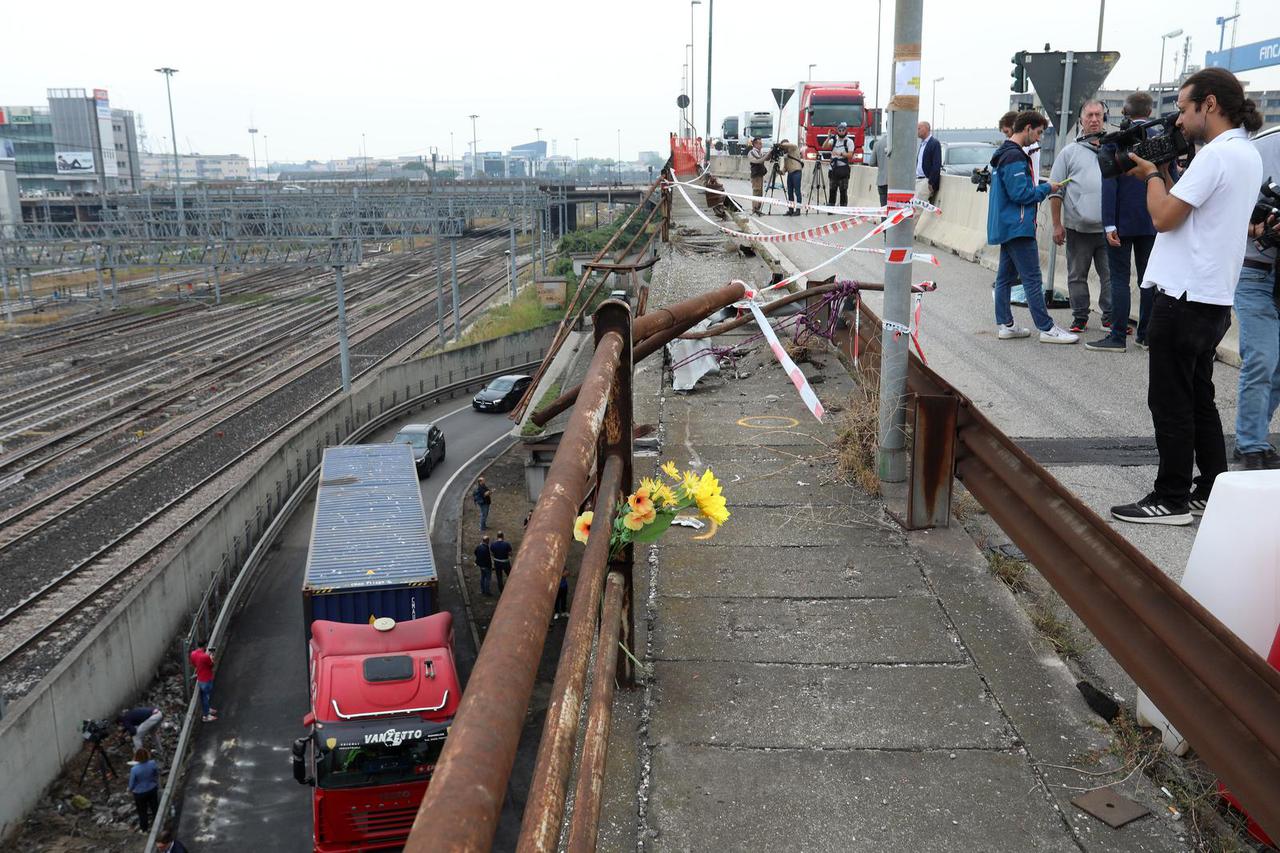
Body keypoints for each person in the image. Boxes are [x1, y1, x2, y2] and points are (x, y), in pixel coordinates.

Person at [1110, 67, 1264, 525]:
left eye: (1182, 108)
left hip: (1183, 296)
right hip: (1212, 296)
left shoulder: (1215, 156)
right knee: (1198, 397)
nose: (1177, 120)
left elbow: (1162, 218)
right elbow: (1189, 211)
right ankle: (1212, 486)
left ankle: (1170, 497)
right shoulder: (1245, 152)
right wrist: (1163, 173)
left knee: (1170, 401)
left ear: (1209, 104)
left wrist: (1151, 175)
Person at [987, 111, 1075, 344]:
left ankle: (1006, 325)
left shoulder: (1003, 154)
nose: (1038, 138)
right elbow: (1021, 194)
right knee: (1033, 279)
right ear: (1027, 128)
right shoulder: (1014, 156)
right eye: (1038, 132)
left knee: (1005, 278)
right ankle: (1047, 328)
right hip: (1018, 226)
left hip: (1006, 224)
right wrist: (1048, 188)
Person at [1087, 92, 1161, 354]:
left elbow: (1109, 184)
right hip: (1153, 220)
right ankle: (1145, 336)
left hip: (1121, 221)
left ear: (1125, 114)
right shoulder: (1161, 139)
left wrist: (1109, 223)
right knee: (1148, 280)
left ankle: (1117, 336)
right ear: (1150, 112)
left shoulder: (1116, 141)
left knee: (1119, 278)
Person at [1233, 126, 1280, 470]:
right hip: (1256, 271)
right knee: (1262, 358)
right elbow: (1219, 213)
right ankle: (1249, 445)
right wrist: (1258, 228)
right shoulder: (1256, 149)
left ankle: (1255, 438)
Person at [1050, 100, 1113, 333]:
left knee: (1111, 277)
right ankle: (1079, 318)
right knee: (1077, 276)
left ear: (1104, 118)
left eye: (1098, 115)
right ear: (1081, 120)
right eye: (1089, 115)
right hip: (1078, 229)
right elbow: (1055, 191)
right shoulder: (1069, 153)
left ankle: (1110, 317)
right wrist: (1057, 225)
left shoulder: (1113, 148)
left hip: (1109, 229)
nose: (1094, 119)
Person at [128, 747, 160, 833]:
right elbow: (156, 774)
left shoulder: (134, 769)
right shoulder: (152, 763)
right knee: (155, 808)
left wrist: (129, 790)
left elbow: (131, 783)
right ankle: (158, 825)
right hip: (152, 789)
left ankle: (144, 829)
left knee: (142, 811)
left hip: (139, 793)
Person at [823, 121, 854, 207]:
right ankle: (831, 207)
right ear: (837, 131)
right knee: (832, 190)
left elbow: (850, 155)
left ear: (845, 131)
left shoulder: (849, 141)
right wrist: (828, 137)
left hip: (843, 169)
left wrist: (841, 154)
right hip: (833, 169)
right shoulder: (834, 140)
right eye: (839, 130)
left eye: (843, 130)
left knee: (843, 191)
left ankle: (843, 208)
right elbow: (824, 146)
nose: (841, 132)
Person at [189, 640, 217, 723]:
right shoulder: (205, 657)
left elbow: (194, 664)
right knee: (205, 697)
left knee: (203, 696)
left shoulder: (193, 654)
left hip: (200, 678)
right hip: (207, 678)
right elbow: (211, 665)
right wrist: (211, 658)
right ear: (205, 646)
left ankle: (207, 709)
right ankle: (206, 715)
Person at [915, 121, 941, 203]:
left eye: (919, 128)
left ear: (926, 129)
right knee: (914, 206)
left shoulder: (934, 143)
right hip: (918, 179)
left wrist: (931, 182)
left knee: (917, 206)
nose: (917, 131)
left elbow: (936, 165)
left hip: (925, 180)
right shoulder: (922, 144)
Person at [776, 139, 804, 215]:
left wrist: (780, 145)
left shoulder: (794, 148)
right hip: (790, 174)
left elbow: (790, 145)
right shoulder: (785, 155)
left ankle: (798, 210)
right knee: (790, 192)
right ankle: (791, 210)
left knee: (797, 192)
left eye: (784, 146)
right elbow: (785, 167)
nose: (783, 148)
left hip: (796, 172)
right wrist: (780, 171)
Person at [747, 137, 768, 214]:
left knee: (760, 193)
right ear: (755, 144)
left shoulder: (760, 152)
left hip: (760, 175)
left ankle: (758, 208)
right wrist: (767, 155)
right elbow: (759, 160)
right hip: (755, 175)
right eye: (760, 144)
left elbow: (765, 158)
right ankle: (755, 209)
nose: (761, 145)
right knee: (756, 191)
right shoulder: (752, 152)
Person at [874, 130, 890, 208]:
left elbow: (872, 162)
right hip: (896, 183)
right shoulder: (899, 143)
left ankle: (884, 216)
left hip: (882, 181)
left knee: (884, 207)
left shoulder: (878, 143)